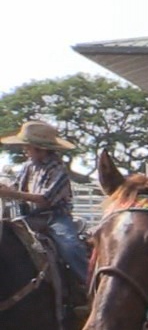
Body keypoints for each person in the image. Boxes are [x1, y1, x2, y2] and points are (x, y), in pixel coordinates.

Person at [0, 121, 90, 289]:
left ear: (40, 149)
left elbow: (45, 199)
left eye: (28, 147)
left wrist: (12, 194)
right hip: (29, 217)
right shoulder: (28, 167)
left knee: (69, 246)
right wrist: (6, 189)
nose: (25, 150)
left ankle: (90, 285)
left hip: (55, 218)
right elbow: (18, 187)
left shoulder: (58, 170)